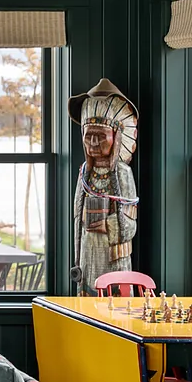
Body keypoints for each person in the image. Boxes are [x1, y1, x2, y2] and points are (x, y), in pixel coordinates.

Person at [70, 79, 140, 292]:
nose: (93, 143)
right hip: (87, 254)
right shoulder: (84, 172)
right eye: (88, 135)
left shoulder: (123, 174)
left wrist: (105, 224)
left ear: (116, 137)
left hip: (113, 257)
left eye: (100, 136)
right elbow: (76, 217)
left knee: (114, 303)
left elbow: (130, 224)